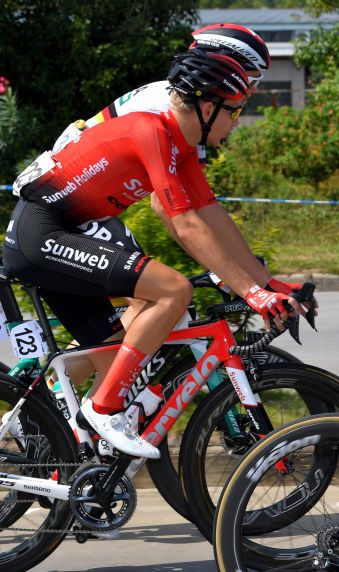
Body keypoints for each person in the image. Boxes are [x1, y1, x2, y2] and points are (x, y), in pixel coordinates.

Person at [3, 49, 296, 459]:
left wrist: (266, 285)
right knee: (173, 291)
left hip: (64, 232)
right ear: (208, 106)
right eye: (236, 109)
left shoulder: (182, 143)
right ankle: (102, 409)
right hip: (43, 233)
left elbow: (210, 215)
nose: (238, 120)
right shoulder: (152, 131)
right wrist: (252, 293)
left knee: (122, 349)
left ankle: (69, 457)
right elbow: (184, 224)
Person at [48, 24, 311, 339]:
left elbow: (206, 206)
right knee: (157, 303)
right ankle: (69, 385)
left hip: (90, 210)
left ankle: (94, 380)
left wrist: (263, 283)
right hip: (65, 212)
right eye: (251, 79)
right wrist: (244, 284)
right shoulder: (169, 108)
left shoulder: (191, 109)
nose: (250, 92)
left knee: (161, 309)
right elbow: (171, 212)